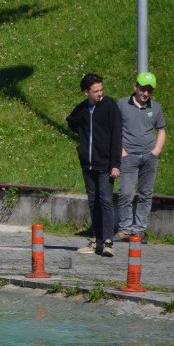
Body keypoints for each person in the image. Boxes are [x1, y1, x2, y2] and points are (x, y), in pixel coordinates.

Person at [65, 73, 122, 257]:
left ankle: (108, 241)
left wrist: (115, 164)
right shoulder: (82, 109)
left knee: (105, 200)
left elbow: (116, 136)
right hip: (87, 164)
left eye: (101, 90)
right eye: (95, 91)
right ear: (85, 92)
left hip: (105, 164)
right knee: (93, 201)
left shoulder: (109, 106)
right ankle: (96, 240)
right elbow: (71, 122)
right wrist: (82, 141)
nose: (100, 94)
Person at [116, 71, 166, 242]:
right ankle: (124, 229)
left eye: (149, 91)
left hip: (149, 157)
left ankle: (138, 231)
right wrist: (121, 151)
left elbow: (161, 129)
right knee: (126, 193)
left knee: (145, 194)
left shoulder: (155, 107)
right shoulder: (122, 104)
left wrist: (156, 151)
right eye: (143, 89)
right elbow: (114, 130)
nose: (145, 94)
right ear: (135, 87)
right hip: (128, 155)